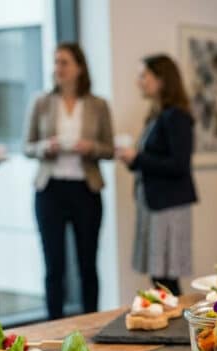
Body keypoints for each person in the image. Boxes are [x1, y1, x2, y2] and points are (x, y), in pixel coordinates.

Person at [24, 43, 114, 319]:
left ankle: (92, 324)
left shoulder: (98, 105)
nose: (57, 68)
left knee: (88, 264)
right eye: (55, 62)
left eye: (64, 62)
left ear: (79, 67)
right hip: (50, 190)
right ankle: (54, 326)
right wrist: (45, 147)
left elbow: (109, 149)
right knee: (54, 266)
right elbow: (27, 146)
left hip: (86, 189)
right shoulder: (41, 102)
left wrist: (90, 147)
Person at [117, 54, 197, 295]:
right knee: (159, 275)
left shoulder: (176, 116)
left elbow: (179, 164)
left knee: (165, 277)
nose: (139, 82)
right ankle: (171, 316)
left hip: (169, 206)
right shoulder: (157, 115)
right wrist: (133, 159)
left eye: (144, 76)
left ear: (161, 79)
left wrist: (138, 158)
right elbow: (154, 159)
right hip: (154, 203)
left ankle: (177, 318)